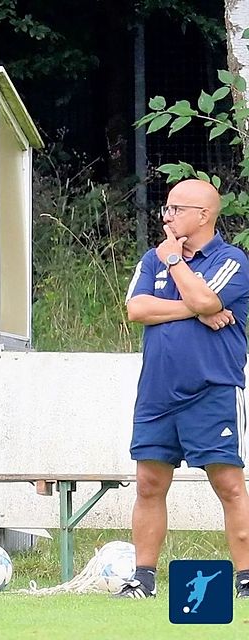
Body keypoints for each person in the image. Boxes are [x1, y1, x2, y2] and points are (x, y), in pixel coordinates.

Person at [119, 178, 249, 599]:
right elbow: (136, 308)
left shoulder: (231, 259)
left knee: (229, 485)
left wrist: (177, 263)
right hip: (157, 394)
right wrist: (195, 309)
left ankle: (246, 579)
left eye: (176, 209)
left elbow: (210, 299)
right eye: (167, 209)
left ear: (204, 215)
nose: (167, 216)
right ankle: (143, 579)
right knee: (149, 485)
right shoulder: (151, 258)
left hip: (212, 390)